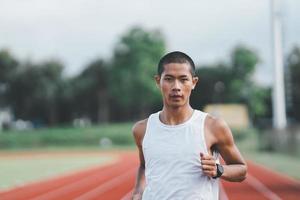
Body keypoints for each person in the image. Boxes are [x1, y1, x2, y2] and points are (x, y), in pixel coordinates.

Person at [131, 51, 247, 200]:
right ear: (158, 81)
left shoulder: (212, 126)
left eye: (183, 79)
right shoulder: (142, 129)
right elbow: (144, 165)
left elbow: (241, 170)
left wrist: (219, 169)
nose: (176, 87)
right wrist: (138, 192)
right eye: (169, 79)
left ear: (193, 82)